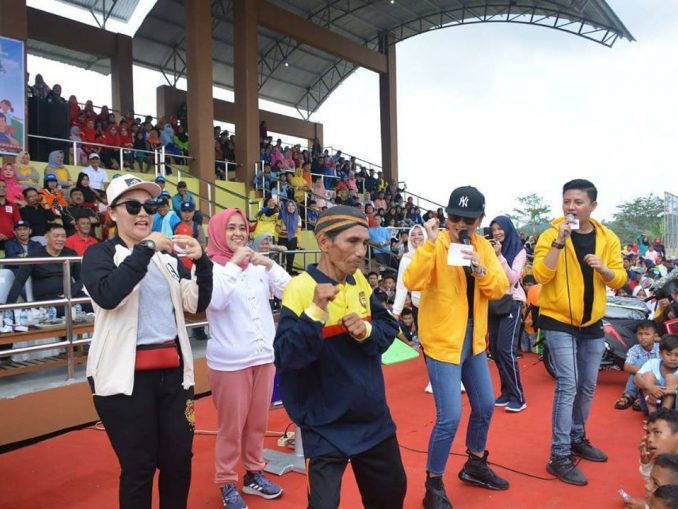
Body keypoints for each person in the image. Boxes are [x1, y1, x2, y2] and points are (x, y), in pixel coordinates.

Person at [81, 174, 213, 509]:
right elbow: (109, 295)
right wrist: (147, 248)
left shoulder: (167, 260)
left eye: (150, 206)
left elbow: (197, 303)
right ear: (112, 213)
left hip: (173, 375)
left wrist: (202, 262)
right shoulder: (99, 255)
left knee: (178, 462)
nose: (143, 213)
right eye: (133, 206)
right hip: (123, 379)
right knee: (139, 467)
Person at [274, 205, 406, 509]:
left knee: (391, 495)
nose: (361, 252)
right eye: (352, 241)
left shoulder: (359, 281)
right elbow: (286, 357)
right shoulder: (299, 288)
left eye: (365, 243)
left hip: (372, 418)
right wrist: (315, 312)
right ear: (324, 242)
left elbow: (388, 327)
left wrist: (366, 332)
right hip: (324, 425)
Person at [404, 185, 510, 508]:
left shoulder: (483, 247)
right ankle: (433, 484)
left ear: (480, 219)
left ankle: (475, 463)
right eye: (454, 218)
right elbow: (412, 281)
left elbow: (499, 288)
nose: (460, 225)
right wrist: (429, 244)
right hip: (441, 341)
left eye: (468, 220)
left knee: (485, 405)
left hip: (474, 339)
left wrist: (481, 269)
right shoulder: (437, 244)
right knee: (449, 416)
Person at [533, 178, 627, 486]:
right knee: (568, 384)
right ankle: (558, 455)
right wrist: (559, 242)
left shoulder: (607, 238)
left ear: (592, 206)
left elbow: (619, 278)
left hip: (592, 323)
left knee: (587, 385)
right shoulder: (551, 234)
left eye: (578, 202)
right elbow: (540, 275)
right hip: (558, 320)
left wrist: (604, 269)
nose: (571, 207)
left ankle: (576, 437)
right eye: (566, 201)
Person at [205, 208, 290, 508]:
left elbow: (291, 291)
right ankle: (226, 481)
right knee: (231, 427)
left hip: (263, 356)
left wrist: (269, 264)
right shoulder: (209, 267)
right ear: (218, 232)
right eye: (231, 228)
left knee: (257, 423)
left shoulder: (256, 267)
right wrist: (233, 264)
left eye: (242, 228)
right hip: (229, 362)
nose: (239, 233)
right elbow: (215, 301)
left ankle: (254, 473)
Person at [488, 215, 528, 413]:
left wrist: (499, 257)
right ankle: (506, 391)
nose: (497, 233)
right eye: (494, 229)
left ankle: (518, 396)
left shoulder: (519, 251)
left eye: (500, 228)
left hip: (512, 302)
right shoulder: (489, 249)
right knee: (495, 350)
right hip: (493, 302)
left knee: (505, 349)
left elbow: (512, 279)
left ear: (508, 229)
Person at [6, 223, 83, 306]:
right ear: (46, 237)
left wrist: (71, 293)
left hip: (70, 295)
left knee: (90, 304)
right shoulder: (34, 256)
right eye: (56, 236)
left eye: (63, 236)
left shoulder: (71, 254)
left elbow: (81, 278)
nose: (60, 239)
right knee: (61, 308)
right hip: (46, 298)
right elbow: (19, 282)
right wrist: (8, 306)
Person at [615, 320, 660, 411]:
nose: (643, 337)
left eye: (647, 334)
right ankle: (629, 394)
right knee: (639, 364)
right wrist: (642, 372)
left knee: (646, 363)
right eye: (640, 334)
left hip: (657, 378)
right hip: (640, 377)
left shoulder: (660, 348)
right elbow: (626, 366)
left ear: (655, 336)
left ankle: (641, 397)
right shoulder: (635, 349)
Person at [635, 335, 678, 414]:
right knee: (648, 375)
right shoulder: (652, 362)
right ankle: (652, 415)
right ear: (660, 354)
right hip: (649, 400)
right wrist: (650, 387)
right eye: (668, 354)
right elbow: (637, 379)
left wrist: (666, 391)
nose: (673, 358)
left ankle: (664, 414)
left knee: (671, 377)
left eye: (677, 355)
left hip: (672, 406)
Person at [276, 200, 301, 274]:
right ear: (286, 207)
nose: (291, 207)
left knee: (291, 256)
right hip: (282, 238)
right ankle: (280, 272)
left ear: (295, 207)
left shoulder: (298, 217)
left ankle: (289, 271)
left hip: (293, 239)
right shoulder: (282, 216)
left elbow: (298, 231)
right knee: (281, 256)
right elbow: (277, 227)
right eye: (289, 206)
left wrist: (298, 241)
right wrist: (281, 232)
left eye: (292, 205)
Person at [0, 179, 22, 248]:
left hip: (10, 240)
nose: (2, 188)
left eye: (4, 186)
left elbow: (18, 223)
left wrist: (10, 236)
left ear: (6, 189)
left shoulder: (13, 205)